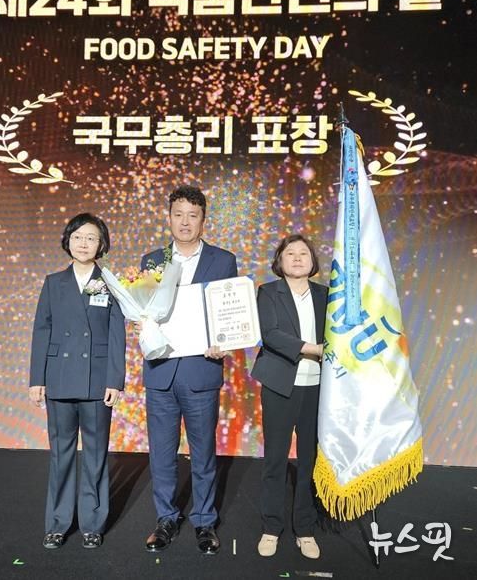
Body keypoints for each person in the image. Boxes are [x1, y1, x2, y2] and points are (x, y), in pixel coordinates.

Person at [141, 185, 237, 555]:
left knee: (203, 453)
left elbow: (230, 312)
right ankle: (165, 519)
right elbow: (145, 311)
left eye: (192, 215)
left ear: (203, 220)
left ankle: (204, 522)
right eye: (178, 214)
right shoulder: (153, 260)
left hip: (201, 370)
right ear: (168, 217)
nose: (185, 222)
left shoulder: (223, 260)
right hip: (161, 371)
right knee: (161, 454)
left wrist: (224, 341)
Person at [29, 213, 126, 550]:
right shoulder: (53, 282)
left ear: (102, 244)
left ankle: (92, 524)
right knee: (61, 454)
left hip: (97, 381)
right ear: (68, 241)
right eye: (78, 237)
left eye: (91, 238)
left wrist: (115, 380)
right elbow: (42, 331)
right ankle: (57, 523)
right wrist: (37, 379)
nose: (84, 243)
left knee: (96, 455)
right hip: (58, 378)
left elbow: (117, 335)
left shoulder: (111, 283)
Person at [251, 234, 328, 560]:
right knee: (275, 459)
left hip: (319, 388)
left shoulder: (327, 295)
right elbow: (270, 335)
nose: (297, 258)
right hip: (280, 386)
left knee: (311, 460)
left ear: (313, 261)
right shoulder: (268, 292)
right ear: (280, 261)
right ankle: (271, 526)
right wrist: (314, 349)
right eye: (290, 253)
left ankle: (305, 529)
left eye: (304, 253)